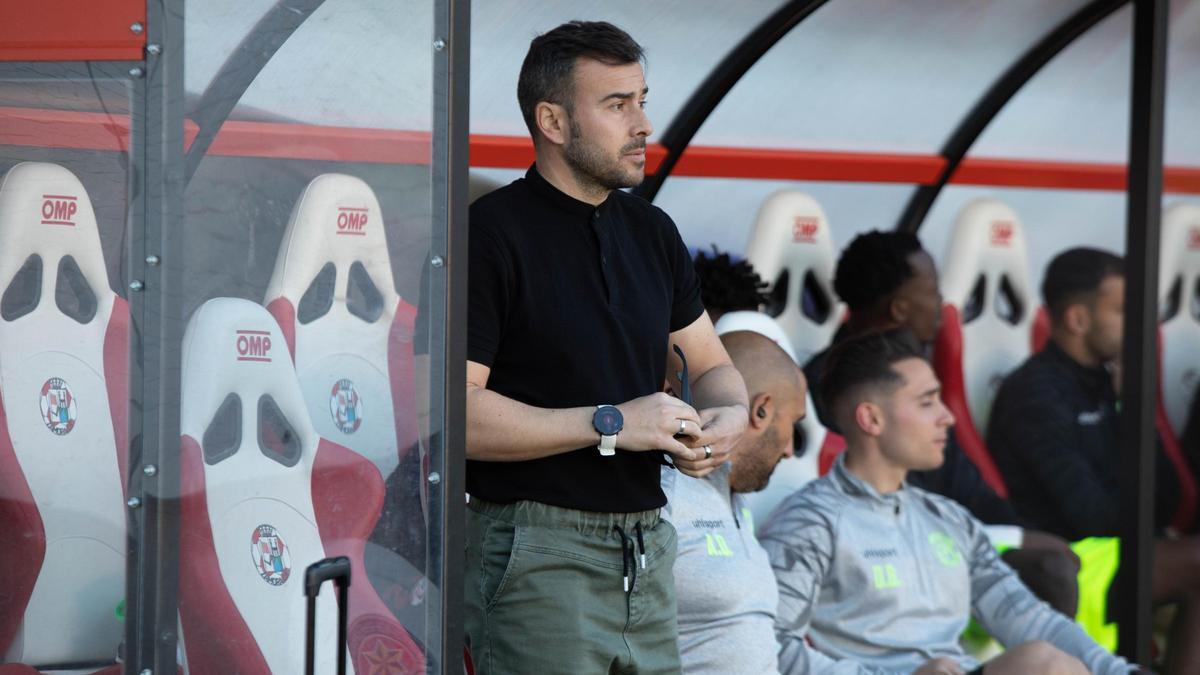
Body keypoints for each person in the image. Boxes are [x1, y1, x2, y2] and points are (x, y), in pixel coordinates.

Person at [464, 21, 748, 674]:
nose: (643, 123)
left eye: (642, 99)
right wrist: (613, 421)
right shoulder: (490, 233)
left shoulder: (653, 229)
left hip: (648, 545)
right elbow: (457, 413)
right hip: (536, 547)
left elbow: (711, 364)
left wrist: (727, 417)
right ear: (553, 121)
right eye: (617, 105)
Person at [761, 330, 1132, 675]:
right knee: (1043, 663)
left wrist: (1121, 671)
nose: (948, 417)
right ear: (871, 418)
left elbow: (1030, 618)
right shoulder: (809, 522)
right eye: (927, 402)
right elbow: (768, 643)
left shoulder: (948, 517)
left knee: (1052, 657)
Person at [804, 230, 1080, 616]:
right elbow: (888, 504)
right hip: (895, 559)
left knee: (1051, 551)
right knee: (1050, 567)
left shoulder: (912, 372)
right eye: (933, 291)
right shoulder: (830, 388)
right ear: (899, 310)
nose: (941, 304)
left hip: (953, 543)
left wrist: (1018, 533)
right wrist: (1016, 537)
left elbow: (971, 490)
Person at [988, 247, 1200, 675]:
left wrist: (1136, 409)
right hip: (1062, 564)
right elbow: (1091, 518)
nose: (1140, 324)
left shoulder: (1109, 382)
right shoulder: (1034, 393)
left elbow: (1169, 497)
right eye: (1124, 310)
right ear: (1077, 319)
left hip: (1117, 549)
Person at [663, 330, 807, 675]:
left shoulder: (735, 501)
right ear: (761, 410)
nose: (790, 450)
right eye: (794, 426)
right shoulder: (662, 494)